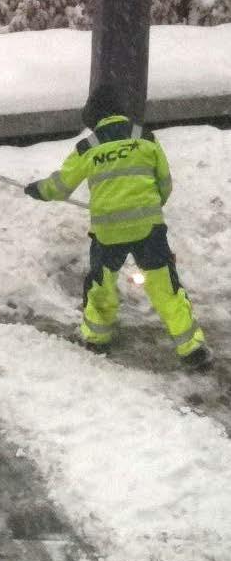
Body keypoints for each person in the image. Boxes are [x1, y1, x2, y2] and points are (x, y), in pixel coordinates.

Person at [24, 83, 212, 369]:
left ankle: (96, 338)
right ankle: (192, 348)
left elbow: (61, 187)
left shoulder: (88, 147)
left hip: (108, 233)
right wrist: (148, 206)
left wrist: (38, 189)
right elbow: (164, 183)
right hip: (148, 228)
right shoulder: (146, 138)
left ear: (95, 116)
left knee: (101, 284)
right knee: (165, 286)